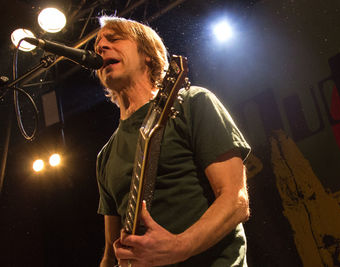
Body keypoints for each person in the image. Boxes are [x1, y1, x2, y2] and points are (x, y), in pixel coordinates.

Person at [94, 15, 251, 267]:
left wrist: (180, 247)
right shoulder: (106, 156)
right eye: (97, 47)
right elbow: (111, 254)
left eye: (113, 39)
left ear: (147, 53)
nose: (101, 47)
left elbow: (235, 200)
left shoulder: (192, 103)